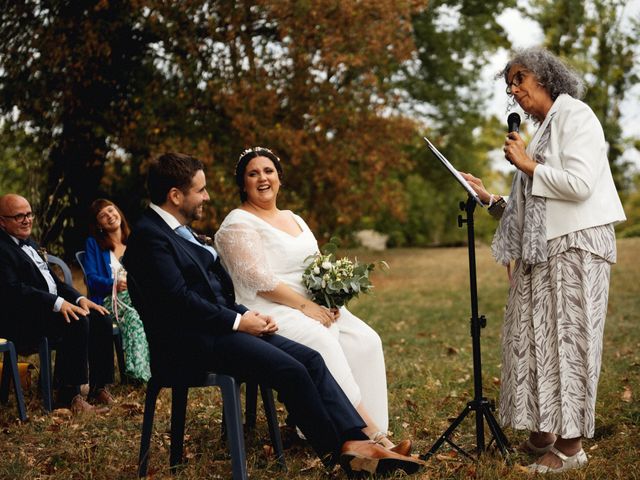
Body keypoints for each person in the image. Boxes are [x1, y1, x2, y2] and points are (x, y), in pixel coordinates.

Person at [122, 152, 423, 476]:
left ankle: (356, 442)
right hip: (187, 344)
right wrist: (238, 321)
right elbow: (178, 301)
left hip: (218, 328)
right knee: (290, 370)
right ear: (176, 195)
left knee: (310, 358)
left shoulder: (178, 230)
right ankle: (339, 456)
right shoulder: (149, 236)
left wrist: (246, 314)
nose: (207, 197)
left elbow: (215, 293)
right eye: (201, 190)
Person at [459, 47, 626, 473]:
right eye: (509, 83)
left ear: (546, 77)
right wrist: (490, 198)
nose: (513, 90)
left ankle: (570, 447)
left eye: (519, 79)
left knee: (570, 344)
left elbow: (579, 185)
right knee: (538, 342)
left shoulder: (576, 116)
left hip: (576, 247)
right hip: (545, 250)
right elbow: (533, 207)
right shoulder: (545, 130)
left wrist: (528, 164)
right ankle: (545, 429)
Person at [214, 147, 399, 452]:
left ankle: (368, 425)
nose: (262, 178)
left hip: (312, 304)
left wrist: (329, 296)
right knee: (323, 340)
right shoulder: (238, 222)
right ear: (242, 183)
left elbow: (314, 263)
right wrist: (306, 306)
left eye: (268, 171)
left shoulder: (293, 217)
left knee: (366, 340)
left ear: (279, 178)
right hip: (269, 309)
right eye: (253, 173)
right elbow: (258, 280)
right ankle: (367, 434)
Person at [0, 193, 115, 413]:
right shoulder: (3, 249)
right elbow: (13, 290)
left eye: (29, 214)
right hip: (21, 318)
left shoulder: (29, 243)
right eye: (18, 216)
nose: (27, 220)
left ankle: (98, 387)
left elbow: (54, 282)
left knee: (100, 316)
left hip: (45, 310)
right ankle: (68, 395)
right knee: (75, 320)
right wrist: (56, 303)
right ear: (2, 221)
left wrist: (80, 299)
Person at [84, 199, 151, 382]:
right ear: (98, 224)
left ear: (119, 212)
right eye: (103, 216)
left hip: (138, 297)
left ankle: (161, 366)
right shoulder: (94, 244)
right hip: (109, 301)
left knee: (154, 309)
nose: (110, 216)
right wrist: (113, 283)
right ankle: (140, 375)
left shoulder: (135, 240)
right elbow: (90, 278)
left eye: (111, 211)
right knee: (133, 315)